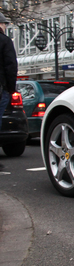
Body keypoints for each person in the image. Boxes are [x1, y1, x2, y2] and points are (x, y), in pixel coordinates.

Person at [0, 12, 18, 170]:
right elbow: (11, 66)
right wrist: (11, 88)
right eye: (4, 24)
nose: (5, 26)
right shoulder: (4, 41)